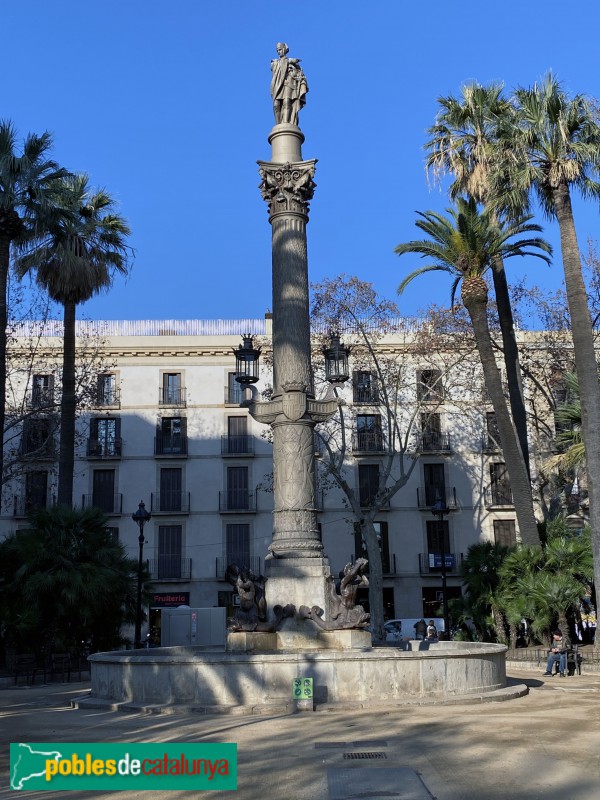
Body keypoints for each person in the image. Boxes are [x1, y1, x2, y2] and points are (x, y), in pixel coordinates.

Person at [270, 42, 308, 126]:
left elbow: (299, 75)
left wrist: (298, 77)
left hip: (289, 85)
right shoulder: (275, 62)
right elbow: (274, 69)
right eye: (277, 50)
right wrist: (289, 61)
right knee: (276, 104)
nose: (278, 52)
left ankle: (287, 122)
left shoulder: (293, 64)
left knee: (287, 102)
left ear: (284, 49)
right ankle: (278, 124)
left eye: (280, 49)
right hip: (278, 85)